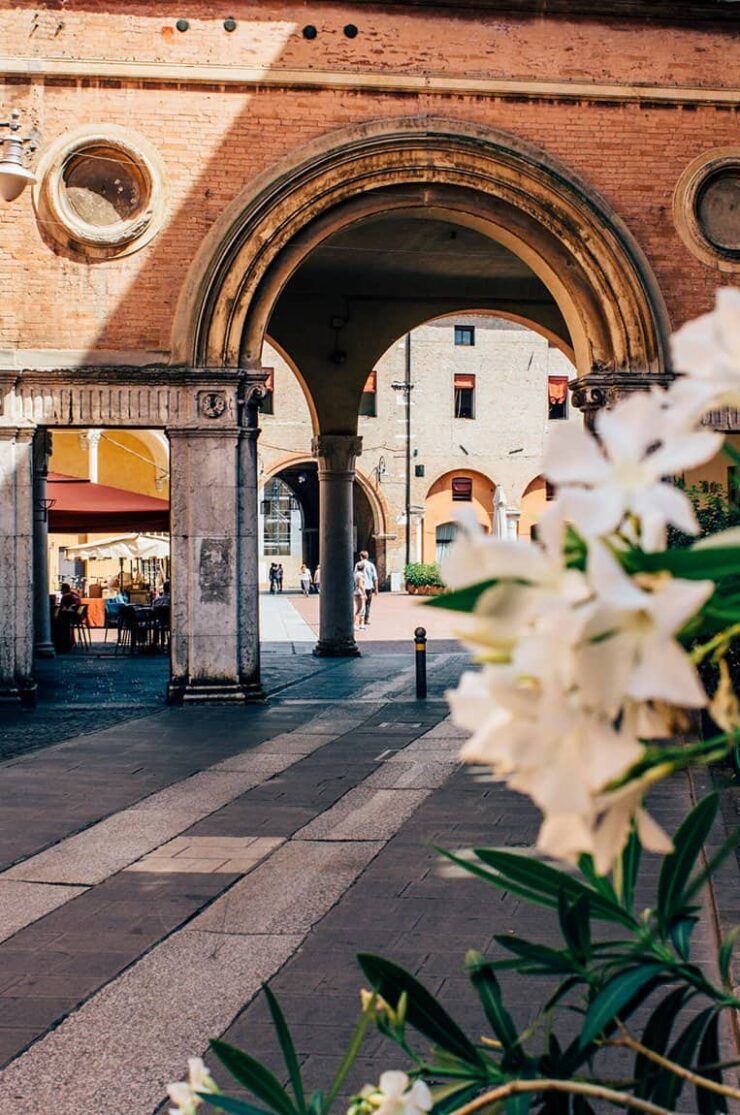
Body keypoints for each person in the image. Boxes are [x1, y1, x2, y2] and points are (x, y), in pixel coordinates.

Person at [355, 549, 379, 627]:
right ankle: (366, 618)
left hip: (360, 587)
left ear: (361, 557)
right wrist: (376, 588)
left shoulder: (358, 564)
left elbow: (355, 575)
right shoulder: (371, 565)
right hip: (369, 587)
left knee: (360, 605)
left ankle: (359, 620)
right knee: (368, 603)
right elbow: (375, 577)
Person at [353, 560, 367, 630]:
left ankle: (361, 624)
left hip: (356, 592)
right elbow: (361, 585)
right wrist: (364, 594)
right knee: (360, 609)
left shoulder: (355, 574)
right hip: (359, 593)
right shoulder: (360, 575)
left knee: (360, 609)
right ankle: (356, 624)